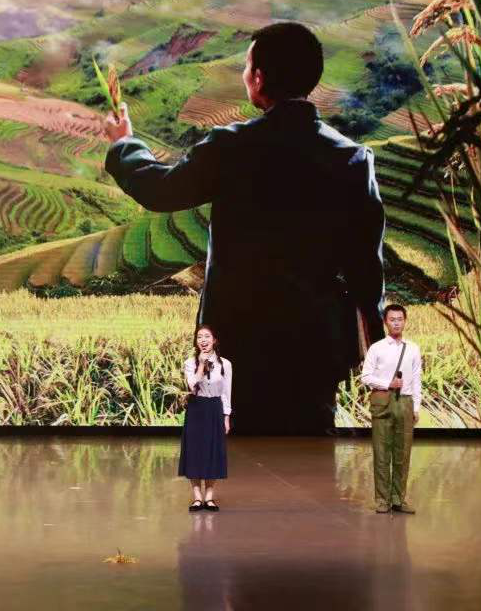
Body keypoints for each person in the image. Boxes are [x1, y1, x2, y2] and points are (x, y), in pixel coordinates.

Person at [103, 22, 386, 435]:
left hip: (238, 341)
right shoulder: (352, 159)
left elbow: (161, 190)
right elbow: (366, 270)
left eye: (247, 66)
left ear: (258, 78)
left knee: (237, 451)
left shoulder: (231, 147)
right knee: (310, 455)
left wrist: (123, 143)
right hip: (314, 347)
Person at [359, 303, 422, 514]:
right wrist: (388, 383)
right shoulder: (377, 348)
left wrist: (416, 407)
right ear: (386, 322)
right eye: (392, 319)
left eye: (400, 319)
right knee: (381, 452)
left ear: (405, 321)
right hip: (383, 400)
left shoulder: (413, 348)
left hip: (405, 402)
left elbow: (417, 379)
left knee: (403, 453)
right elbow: (366, 376)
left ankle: (398, 499)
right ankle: (382, 500)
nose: (396, 323)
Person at [179, 325, 232, 511]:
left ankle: (209, 497)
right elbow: (192, 385)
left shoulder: (225, 364)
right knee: (194, 452)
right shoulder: (190, 363)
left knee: (212, 452)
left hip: (214, 408)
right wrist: (201, 365)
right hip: (197, 408)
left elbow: (226, 392)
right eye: (199, 337)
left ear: (214, 340)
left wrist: (226, 417)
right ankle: (197, 497)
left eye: (207, 336)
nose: (203, 340)